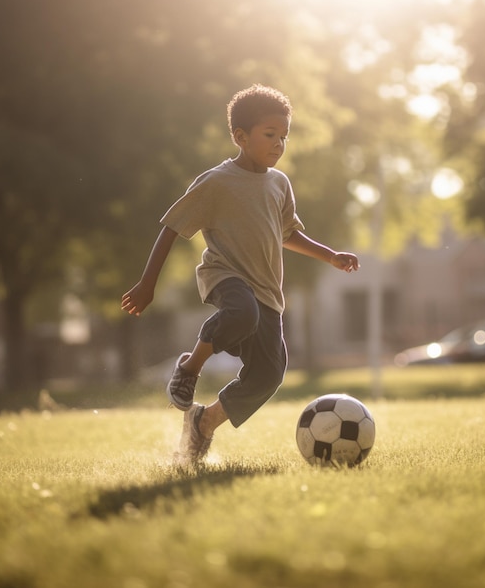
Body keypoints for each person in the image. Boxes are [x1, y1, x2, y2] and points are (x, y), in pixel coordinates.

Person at [121, 84, 359, 465]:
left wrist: (329, 256)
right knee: (241, 312)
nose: (279, 144)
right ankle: (189, 368)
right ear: (240, 136)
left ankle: (203, 423)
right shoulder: (216, 182)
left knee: (269, 374)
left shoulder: (280, 184)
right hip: (225, 276)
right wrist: (147, 284)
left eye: (284, 136)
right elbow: (172, 226)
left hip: (267, 291)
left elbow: (288, 233)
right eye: (270, 135)